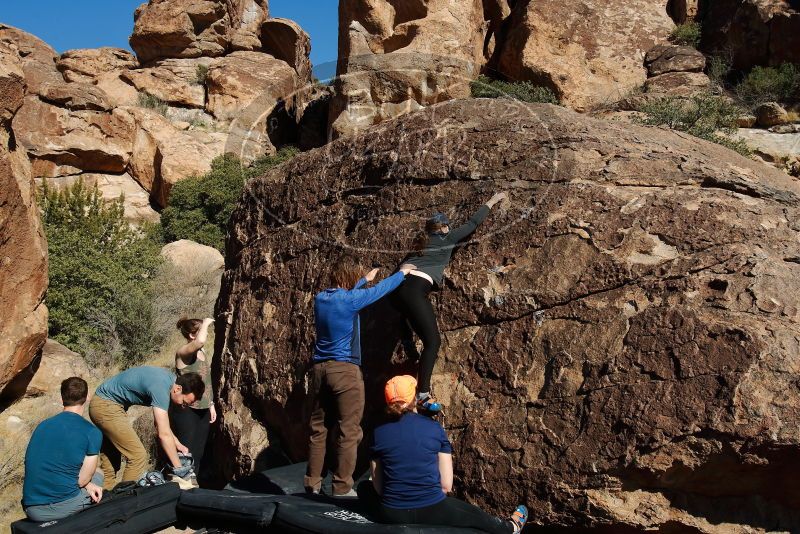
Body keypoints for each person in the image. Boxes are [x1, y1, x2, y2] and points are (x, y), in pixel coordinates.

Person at [304, 254, 416, 497]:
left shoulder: (321, 298)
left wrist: (364, 279)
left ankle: (312, 484)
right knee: (349, 431)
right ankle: (342, 488)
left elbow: (347, 295)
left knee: (319, 429)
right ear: (348, 279)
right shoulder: (352, 300)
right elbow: (381, 291)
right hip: (345, 371)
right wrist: (402, 272)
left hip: (319, 370)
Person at [363, 375, 528, 533]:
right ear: (415, 398)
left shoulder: (378, 432)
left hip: (392, 513)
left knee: (364, 487)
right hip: (432, 509)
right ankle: (510, 528)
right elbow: (446, 486)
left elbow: (379, 488)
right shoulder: (433, 427)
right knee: (476, 516)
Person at [393, 192, 508, 412]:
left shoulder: (419, 244)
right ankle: (423, 396)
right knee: (433, 342)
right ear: (444, 228)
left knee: (405, 312)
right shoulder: (448, 237)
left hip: (397, 292)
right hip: (416, 289)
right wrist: (493, 200)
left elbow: (402, 269)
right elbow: (473, 223)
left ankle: (407, 339)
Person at [88, 365, 205, 489]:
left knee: (111, 461)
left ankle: (105, 499)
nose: (184, 407)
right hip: (105, 406)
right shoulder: (161, 387)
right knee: (138, 456)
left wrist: (177, 444)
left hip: (103, 403)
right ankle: (123, 500)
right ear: (178, 389)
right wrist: (180, 470)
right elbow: (163, 435)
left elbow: (160, 425)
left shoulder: (170, 382)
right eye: (184, 403)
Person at [22, 377, 104, 522]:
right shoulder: (92, 432)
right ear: (87, 397)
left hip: (30, 508)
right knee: (98, 474)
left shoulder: (42, 426)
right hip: (60, 507)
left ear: (62, 398)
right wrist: (89, 484)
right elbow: (82, 480)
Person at [172, 317, 216, 481]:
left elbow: (206, 381)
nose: (206, 333)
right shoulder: (183, 353)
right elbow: (200, 342)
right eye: (201, 331)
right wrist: (205, 323)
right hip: (186, 410)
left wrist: (210, 403)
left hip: (203, 408)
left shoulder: (202, 353)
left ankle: (193, 486)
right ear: (192, 335)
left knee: (198, 452)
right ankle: (180, 485)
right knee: (185, 452)